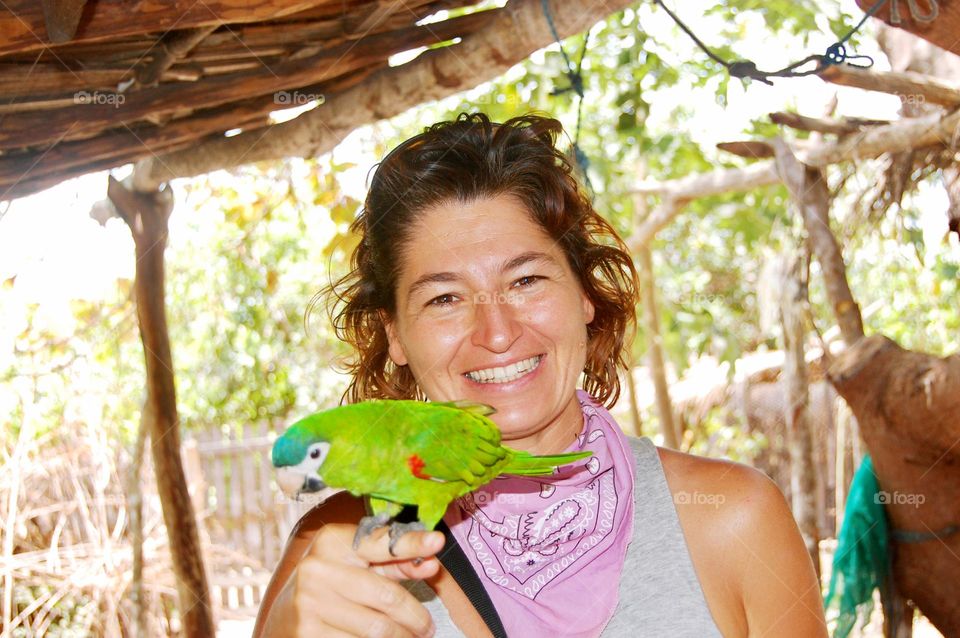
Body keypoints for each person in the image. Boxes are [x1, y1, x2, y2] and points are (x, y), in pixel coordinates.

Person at [253, 112, 828, 637]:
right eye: (445, 298)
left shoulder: (734, 520)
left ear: (584, 294)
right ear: (396, 335)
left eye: (526, 281)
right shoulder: (337, 553)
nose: (497, 332)